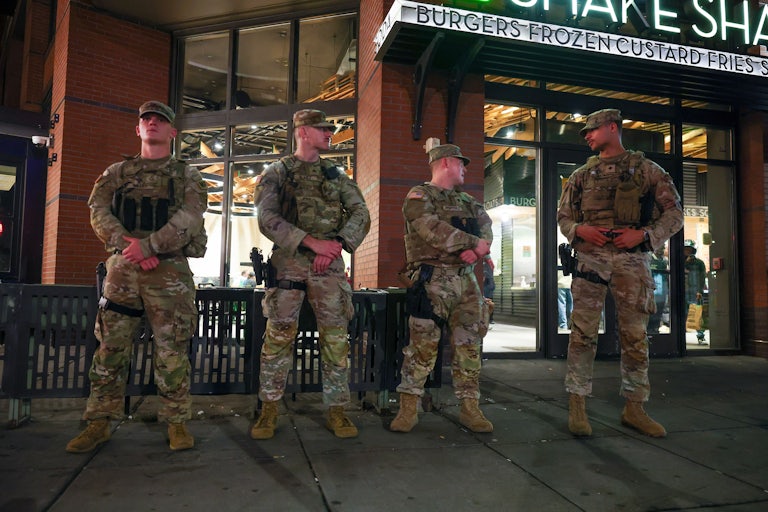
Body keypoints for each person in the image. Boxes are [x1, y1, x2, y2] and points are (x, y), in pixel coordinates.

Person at [66, 101, 208, 453]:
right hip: (123, 270)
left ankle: (176, 423)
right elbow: (97, 211)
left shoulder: (188, 175)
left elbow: (190, 218)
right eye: (147, 119)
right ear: (138, 128)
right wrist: (131, 246)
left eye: (161, 121)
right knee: (110, 349)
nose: (153, 124)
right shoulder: (116, 172)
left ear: (173, 132)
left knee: (172, 350)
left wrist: (150, 247)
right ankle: (98, 422)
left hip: (169, 271)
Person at [557, 109, 683, 438]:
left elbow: (675, 215)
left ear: (613, 128)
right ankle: (577, 404)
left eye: (593, 129)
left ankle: (635, 407)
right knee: (581, 334)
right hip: (590, 260)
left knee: (635, 335)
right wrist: (580, 229)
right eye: (586, 131)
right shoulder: (580, 176)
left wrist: (643, 236)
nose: (587, 135)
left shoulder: (646, 170)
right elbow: (563, 217)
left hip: (632, 260)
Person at [250, 109, 371, 440]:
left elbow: (361, 211)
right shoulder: (277, 172)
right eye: (322, 128)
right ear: (302, 132)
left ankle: (337, 410)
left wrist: (336, 244)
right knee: (278, 338)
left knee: (335, 338)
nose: (329, 133)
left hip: (329, 266)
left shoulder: (335, 175)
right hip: (289, 264)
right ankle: (269, 409)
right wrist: (311, 243)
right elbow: (266, 217)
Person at [390, 143, 494, 434]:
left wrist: (478, 252)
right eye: (462, 163)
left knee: (469, 346)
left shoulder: (470, 202)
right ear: (447, 162)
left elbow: (486, 230)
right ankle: (408, 406)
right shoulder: (419, 196)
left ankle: (470, 407)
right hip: (431, 280)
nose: (465, 169)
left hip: (466, 281)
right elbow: (431, 230)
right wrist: (473, 244)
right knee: (421, 347)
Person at [684, 240, 707, 344]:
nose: (687, 251)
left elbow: (702, 278)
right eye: (686, 249)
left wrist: (699, 290)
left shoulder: (699, 263)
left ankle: (701, 336)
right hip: (682, 291)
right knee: (682, 314)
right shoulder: (679, 262)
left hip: (694, 291)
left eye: (690, 249)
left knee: (698, 314)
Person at [647, 246, 669, 334]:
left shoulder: (664, 261)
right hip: (652, 290)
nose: (661, 250)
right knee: (650, 309)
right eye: (659, 247)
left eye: (662, 248)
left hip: (662, 291)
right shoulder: (649, 259)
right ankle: (649, 328)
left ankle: (655, 328)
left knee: (659, 310)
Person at [482, 257, 496, 324]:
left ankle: (488, 319)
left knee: (487, 302)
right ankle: (489, 319)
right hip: (489, 285)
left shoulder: (486, 263)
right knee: (488, 301)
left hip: (487, 286)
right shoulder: (489, 263)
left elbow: (486, 275)